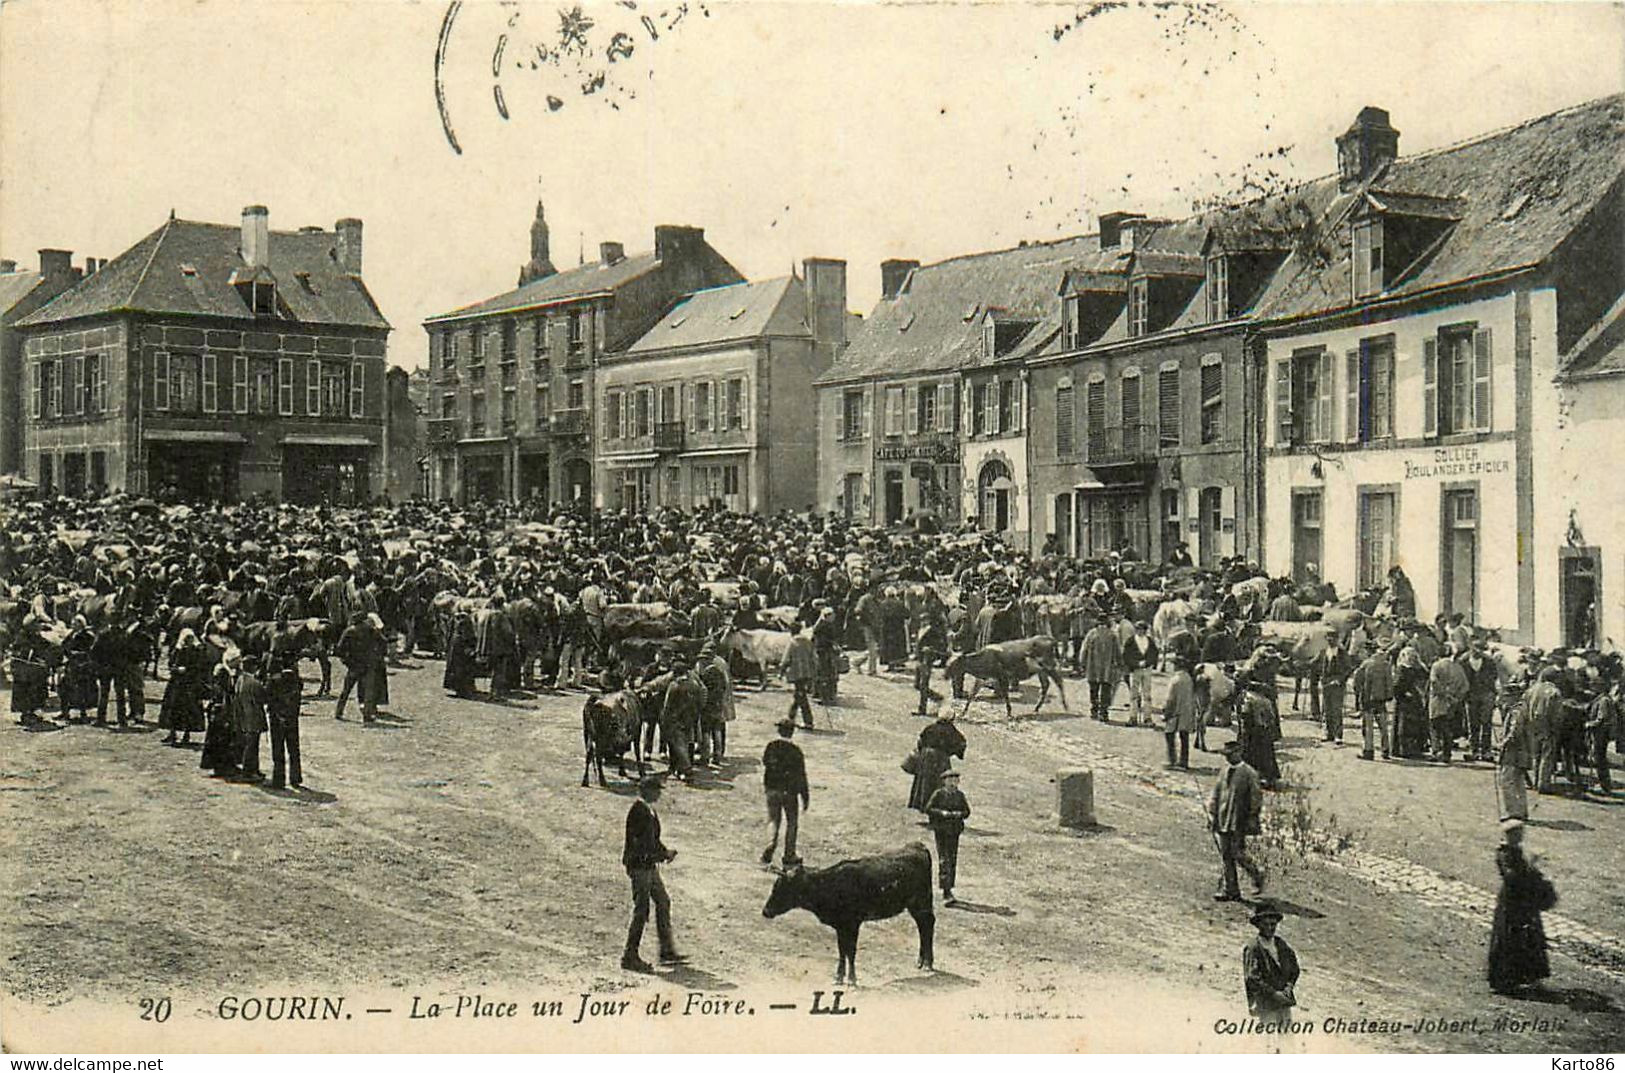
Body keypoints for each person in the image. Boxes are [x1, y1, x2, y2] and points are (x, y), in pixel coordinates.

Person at [621, 776, 683, 972]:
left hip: (648, 866)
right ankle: (629, 956)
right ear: (645, 790)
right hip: (640, 867)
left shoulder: (649, 810)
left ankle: (666, 951)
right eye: (656, 789)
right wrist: (663, 854)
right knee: (642, 910)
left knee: (663, 901)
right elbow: (643, 844)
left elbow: (654, 840)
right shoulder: (638, 811)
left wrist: (664, 851)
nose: (659, 793)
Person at [1488, 819, 1556, 995]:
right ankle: (1505, 980)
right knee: (1510, 940)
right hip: (1511, 903)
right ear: (1509, 835)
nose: (1520, 836)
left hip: (1523, 902)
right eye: (1517, 833)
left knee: (1530, 939)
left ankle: (1530, 978)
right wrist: (1531, 865)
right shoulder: (1504, 853)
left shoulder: (1517, 851)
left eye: (1521, 833)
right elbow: (1511, 877)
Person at [1210, 738, 1264, 901]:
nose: (1228, 758)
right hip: (1222, 817)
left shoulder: (1249, 773)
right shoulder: (1224, 771)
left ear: (1239, 753)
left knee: (1237, 853)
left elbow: (1256, 798)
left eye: (1231, 754)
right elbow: (1216, 793)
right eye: (1226, 755)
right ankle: (1231, 889)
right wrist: (1212, 814)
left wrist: (1252, 817)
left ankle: (1256, 874)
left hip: (1239, 820)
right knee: (1226, 854)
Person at [1242, 902, 1300, 1028]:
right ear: (1259, 925)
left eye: (1273, 924)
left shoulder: (1281, 945)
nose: (1270, 928)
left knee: (1286, 1038)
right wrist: (1273, 993)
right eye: (1266, 924)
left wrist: (1288, 987)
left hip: (1283, 1001)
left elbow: (1294, 969)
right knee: (1267, 1041)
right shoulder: (1253, 947)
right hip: (1265, 1003)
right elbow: (1252, 977)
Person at [760, 718, 809, 867]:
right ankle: (789, 855)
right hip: (789, 792)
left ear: (778, 730)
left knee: (773, 820)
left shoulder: (771, 746)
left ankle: (770, 844)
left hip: (772, 789)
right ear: (792, 731)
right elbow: (801, 775)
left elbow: (765, 762)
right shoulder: (796, 751)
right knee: (792, 823)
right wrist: (805, 796)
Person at [925, 768, 971, 906]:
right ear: (944, 782)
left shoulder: (960, 795)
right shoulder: (939, 794)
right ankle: (946, 891)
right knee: (944, 859)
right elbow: (929, 808)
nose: (953, 783)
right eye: (950, 780)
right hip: (942, 831)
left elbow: (967, 811)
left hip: (954, 831)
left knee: (952, 860)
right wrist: (942, 813)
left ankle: (949, 887)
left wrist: (959, 814)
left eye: (955, 780)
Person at [908, 706, 967, 812]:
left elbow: (920, 742)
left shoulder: (930, 727)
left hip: (925, 758)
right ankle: (935, 808)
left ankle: (922, 805)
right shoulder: (951, 730)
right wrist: (953, 752)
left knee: (924, 783)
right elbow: (961, 744)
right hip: (941, 759)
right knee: (939, 783)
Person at [335, 612, 388, 722]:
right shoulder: (371, 630)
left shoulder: (349, 631)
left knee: (346, 690)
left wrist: (347, 661)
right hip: (368, 664)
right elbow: (383, 642)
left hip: (354, 664)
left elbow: (339, 649)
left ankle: (339, 711)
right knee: (369, 691)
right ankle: (367, 715)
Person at [159, 627, 208, 746]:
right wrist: (176, 669)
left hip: (190, 684)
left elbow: (200, 667)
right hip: (176, 683)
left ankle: (186, 734)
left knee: (188, 709)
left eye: (190, 638)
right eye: (186, 638)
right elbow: (171, 665)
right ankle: (172, 733)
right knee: (173, 708)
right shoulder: (178, 650)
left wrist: (188, 671)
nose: (188, 641)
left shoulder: (197, 651)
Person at [266, 649, 304, 790]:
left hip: (276, 719)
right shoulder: (297, 681)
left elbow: (267, 698)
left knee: (278, 750)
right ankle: (295, 778)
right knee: (294, 749)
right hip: (292, 719)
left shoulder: (274, 680)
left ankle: (278, 779)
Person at [1427, 644, 1470, 763]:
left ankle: (1436, 751)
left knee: (1435, 725)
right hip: (1453, 702)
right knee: (1448, 726)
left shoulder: (1436, 666)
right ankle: (1447, 752)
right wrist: (1456, 698)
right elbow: (1465, 686)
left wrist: (1445, 695)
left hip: (1438, 700)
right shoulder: (1458, 667)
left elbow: (1434, 682)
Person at [1352, 638, 1394, 760]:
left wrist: (1358, 694)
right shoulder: (1386, 665)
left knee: (1368, 726)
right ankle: (1386, 750)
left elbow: (1357, 681)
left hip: (1368, 699)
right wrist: (1388, 695)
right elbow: (1389, 682)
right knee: (1383, 726)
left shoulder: (1366, 664)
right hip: (1381, 699)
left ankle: (1368, 751)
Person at [1462, 640, 1500, 762]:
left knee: (1486, 723)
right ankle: (1473, 749)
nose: (1477, 651)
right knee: (1472, 723)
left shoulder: (1489, 661)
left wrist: (1492, 692)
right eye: (1475, 648)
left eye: (1480, 649)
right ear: (1470, 647)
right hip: (1470, 695)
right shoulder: (1463, 661)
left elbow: (1494, 676)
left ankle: (1486, 751)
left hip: (1486, 694)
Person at [1314, 636, 1355, 744]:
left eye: (1332, 639)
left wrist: (1340, 680)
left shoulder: (1342, 654)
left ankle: (1338, 735)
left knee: (1336, 710)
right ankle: (1328, 733)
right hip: (1326, 683)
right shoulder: (1323, 652)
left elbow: (1349, 669)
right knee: (1327, 709)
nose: (1330, 641)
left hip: (1337, 685)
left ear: (1337, 641)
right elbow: (1314, 664)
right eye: (1328, 639)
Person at [1081, 615, 1120, 723]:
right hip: (1107, 668)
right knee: (1106, 690)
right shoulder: (1112, 635)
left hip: (1093, 667)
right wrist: (1120, 663)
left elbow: (1084, 650)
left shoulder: (1091, 634)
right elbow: (1118, 651)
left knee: (1093, 689)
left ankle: (1094, 710)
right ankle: (1103, 712)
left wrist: (1082, 663)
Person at [1121, 620, 1159, 728]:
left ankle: (1147, 717)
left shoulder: (1150, 641)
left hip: (1147, 670)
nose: (1140, 631)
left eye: (1142, 629)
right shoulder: (1131, 641)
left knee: (1147, 694)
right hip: (1134, 670)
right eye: (1137, 629)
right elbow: (1126, 656)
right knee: (1134, 695)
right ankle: (1133, 717)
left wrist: (1147, 662)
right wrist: (1136, 663)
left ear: (1145, 630)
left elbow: (1154, 654)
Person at [1163, 657, 1198, 770]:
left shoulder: (1175, 679)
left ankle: (1172, 760)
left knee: (1169, 735)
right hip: (1187, 711)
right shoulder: (1189, 678)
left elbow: (1170, 699)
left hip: (1175, 712)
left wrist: (1166, 712)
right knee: (1184, 737)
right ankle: (1184, 761)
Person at [914, 606, 948, 717]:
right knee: (917, 685)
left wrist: (931, 649)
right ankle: (936, 697)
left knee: (923, 684)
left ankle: (922, 709)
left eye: (925, 619)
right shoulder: (920, 630)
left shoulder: (932, 631)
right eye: (921, 619)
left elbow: (940, 644)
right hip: (919, 659)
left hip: (927, 659)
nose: (923, 621)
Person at [784, 627, 817, 729]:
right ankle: (790, 718)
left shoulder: (792, 643)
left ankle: (808, 722)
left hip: (797, 673)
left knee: (801, 697)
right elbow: (814, 657)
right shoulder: (807, 642)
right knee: (798, 695)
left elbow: (786, 659)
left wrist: (781, 671)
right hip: (807, 673)